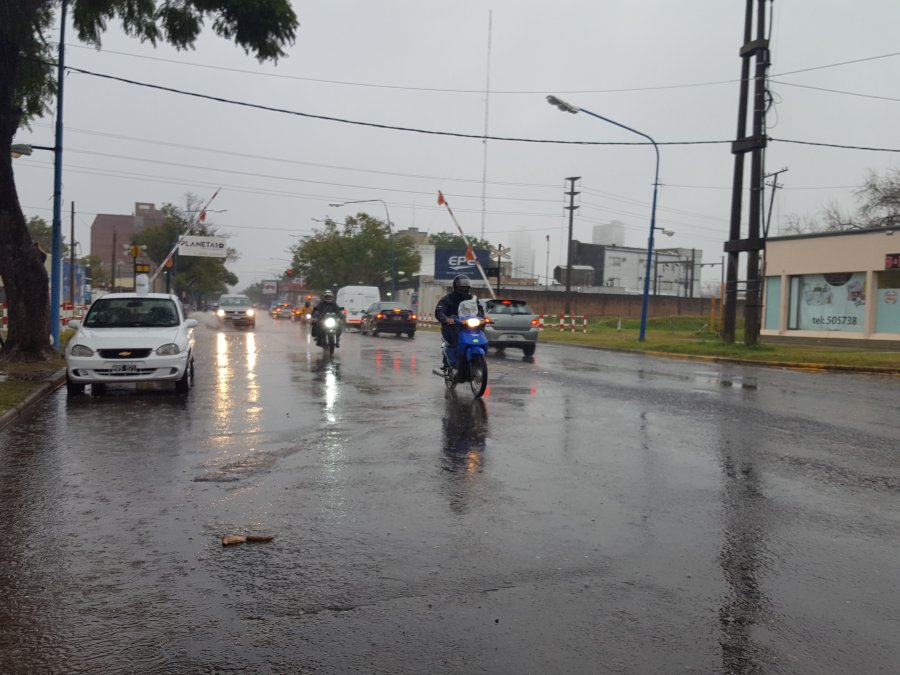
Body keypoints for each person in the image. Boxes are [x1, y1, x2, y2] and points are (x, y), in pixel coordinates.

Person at [434, 274, 483, 367]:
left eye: (466, 288)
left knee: (479, 330)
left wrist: (481, 317)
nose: (464, 290)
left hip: (468, 326)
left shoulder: (472, 299)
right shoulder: (448, 299)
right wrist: (446, 319)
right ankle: (453, 362)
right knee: (454, 339)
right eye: (462, 287)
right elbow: (439, 310)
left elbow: (480, 309)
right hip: (451, 326)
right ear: (456, 287)